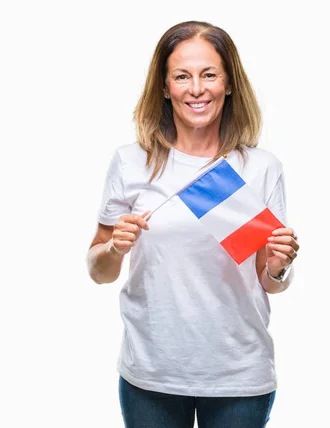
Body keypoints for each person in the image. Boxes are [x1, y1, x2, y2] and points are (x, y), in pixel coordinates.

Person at [86, 20, 299, 428]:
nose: (196, 89)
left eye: (209, 75)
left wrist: (279, 265)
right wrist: (115, 249)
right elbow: (98, 271)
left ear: (229, 83)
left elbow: (270, 280)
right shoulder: (131, 163)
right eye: (182, 76)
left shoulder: (261, 168)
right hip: (151, 372)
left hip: (239, 376)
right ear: (165, 87)